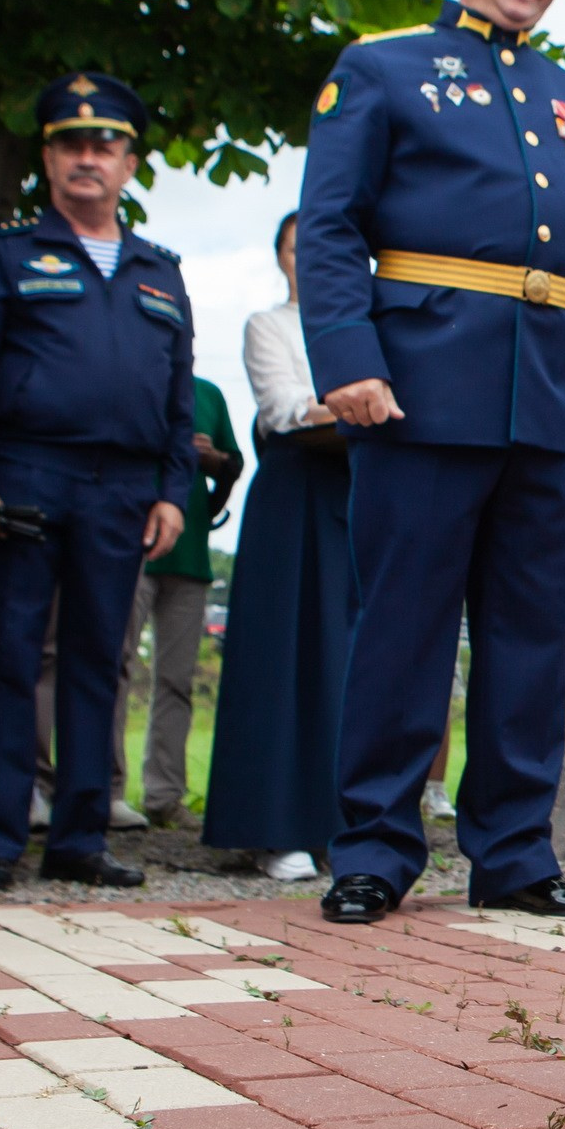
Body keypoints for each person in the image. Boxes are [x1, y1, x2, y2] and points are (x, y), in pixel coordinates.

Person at [302, 0, 565, 927]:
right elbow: (330, 228)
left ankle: (513, 851)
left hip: (546, 403)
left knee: (526, 639)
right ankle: (371, 846)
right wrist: (349, 361)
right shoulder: (383, 66)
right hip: (416, 389)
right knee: (402, 629)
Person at [0, 73, 193, 890]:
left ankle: (80, 836)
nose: (87, 158)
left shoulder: (161, 271)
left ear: (131, 162)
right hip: (25, 473)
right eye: (70, 143)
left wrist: (173, 490)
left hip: (123, 488)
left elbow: (177, 393)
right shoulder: (7, 255)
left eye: (105, 145)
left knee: (100, 660)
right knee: (5, 656)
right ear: (49, 158)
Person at [203, 213, 349, 881]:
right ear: (281, 258)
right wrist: (360, 402)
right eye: (297, 248)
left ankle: (341, 825)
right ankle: (271, 825)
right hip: (294, 495)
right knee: (280, 656)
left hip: (357, 494)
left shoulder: (364, 328)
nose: (309, 259)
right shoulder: (270, 325)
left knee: (345, 660)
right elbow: (286, 406)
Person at [127, 375, 239, 826]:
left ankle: (164, 796)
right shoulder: (130, 375)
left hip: (190, 550)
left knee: (177, 679)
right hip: (129, 543)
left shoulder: (209, 393)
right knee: (113, 669)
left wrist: (213, 463)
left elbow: (234, 464)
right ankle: (103, 792)